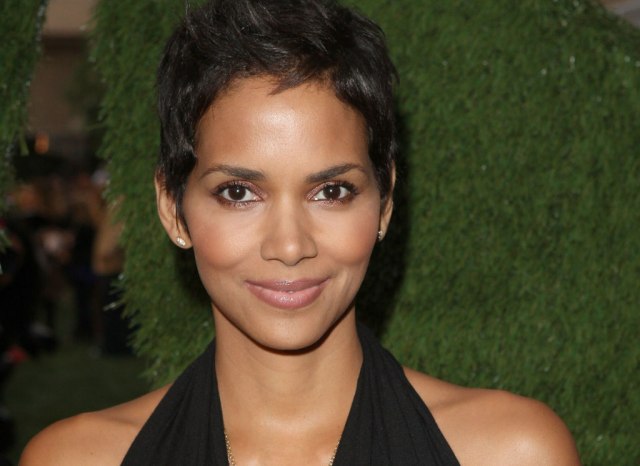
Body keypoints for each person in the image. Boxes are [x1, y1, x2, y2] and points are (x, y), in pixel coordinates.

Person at [20, 0, 581, 464]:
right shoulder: (75, 458)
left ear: (385, 202)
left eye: (331, 191)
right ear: (172, 209)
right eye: (238, 193)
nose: (289, 246)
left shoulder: (510, 451)